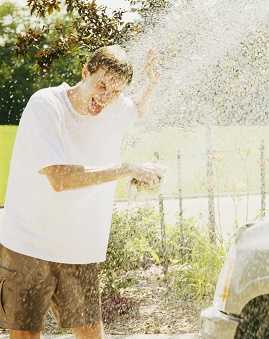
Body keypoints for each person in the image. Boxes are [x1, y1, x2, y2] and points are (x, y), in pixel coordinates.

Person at [0, 45, 161, 339]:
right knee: (25, 335)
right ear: (84, 72)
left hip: (77, 247)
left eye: (115, 92)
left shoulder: (114, 107)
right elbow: (60, 179)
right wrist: (127, 169)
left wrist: (151, 84)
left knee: (91, 333)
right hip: (28, 245)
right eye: (100, 85)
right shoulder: (46, 106)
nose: (105, 97)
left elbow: (135, 108)